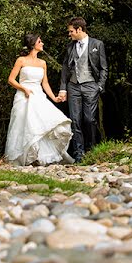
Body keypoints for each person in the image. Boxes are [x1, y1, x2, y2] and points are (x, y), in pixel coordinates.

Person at [4, 33, 74, 165]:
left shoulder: (42, 63)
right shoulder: (21, 60)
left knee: (43, 124)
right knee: (24, 125)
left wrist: (54, 98)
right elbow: (11, 80)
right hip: (24, 95)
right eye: (40, 41)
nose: (42, 44)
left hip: (38, 95)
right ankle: (24, 157)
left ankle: (39, 157)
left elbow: (45, 83)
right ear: (33, 44)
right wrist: (23, 89)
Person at [58, 17, 107, 163]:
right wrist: (63, 89)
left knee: (89, 119)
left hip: (90, 85)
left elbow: (104, 68)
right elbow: (65, 68)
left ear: (79, 29)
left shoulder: (97, 44)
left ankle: (91, 149)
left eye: (71, 31)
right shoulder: (70, 46)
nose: (70, 34)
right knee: (75, 120)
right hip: (73, 86)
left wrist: (99, 86)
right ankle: (79, 153)